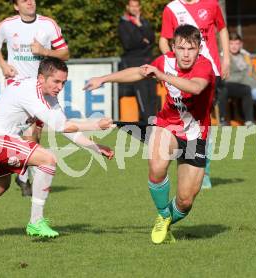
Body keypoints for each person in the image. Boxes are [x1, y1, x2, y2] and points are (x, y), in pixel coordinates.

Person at [0, 57, 115, 240]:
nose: (60, 87)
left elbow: (65, 127)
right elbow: (63, 126)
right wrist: (96, 125)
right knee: (48, 159)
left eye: (63, 82)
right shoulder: (32, 94)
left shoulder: (48, 95)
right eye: (56, 81)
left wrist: (95, 147)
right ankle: (36, 222)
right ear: (42, 78)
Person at [85, 25, 214, 244]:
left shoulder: (204, 65)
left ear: (199, 48)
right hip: (167, 125)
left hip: (196, 135)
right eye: (180, 48)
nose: (185, 54)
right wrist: (104, 78)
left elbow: (195, 88)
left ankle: (166, 218)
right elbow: (138, 71)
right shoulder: (165, 61)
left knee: (185, 201)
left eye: (191, 49)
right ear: (173, 46)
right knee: (156, 163)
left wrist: (162, 76)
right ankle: (164, 215)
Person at [0, 0, 70, 195]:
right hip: (16, 88)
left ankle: (22, 177)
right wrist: (2, 64)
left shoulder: (48, 24)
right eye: (24, 0)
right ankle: (26, 181)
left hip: (40, 88)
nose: (29, 2)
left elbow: (65, 53)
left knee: (35, 136)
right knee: (26, 134)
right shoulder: (7, 25)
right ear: (16, 6)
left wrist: (44, 51)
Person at [158, 0, 230, 189]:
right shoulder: (172, 8)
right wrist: (172, 65)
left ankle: (204, 170)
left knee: (204, 119)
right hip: (183, 74)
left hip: (209, 71)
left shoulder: (212, 4)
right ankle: (187, 164)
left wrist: (226, 58)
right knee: (182, 118)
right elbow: (163, 40)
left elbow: (222, 29)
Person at [118, 0, 157, 124]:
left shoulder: (144, 22)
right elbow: (128, 44)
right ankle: (147, 123)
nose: (134, 8)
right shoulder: (123, 24)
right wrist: (143, 40)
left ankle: (153, 122)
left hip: (148, 62)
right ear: (128, 7)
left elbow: (151, 39)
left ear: (139, 7)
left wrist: (140, 26)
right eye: (132, 6)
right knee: (142, 94)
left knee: (152, 94)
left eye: (136, 6)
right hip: (134, 63)